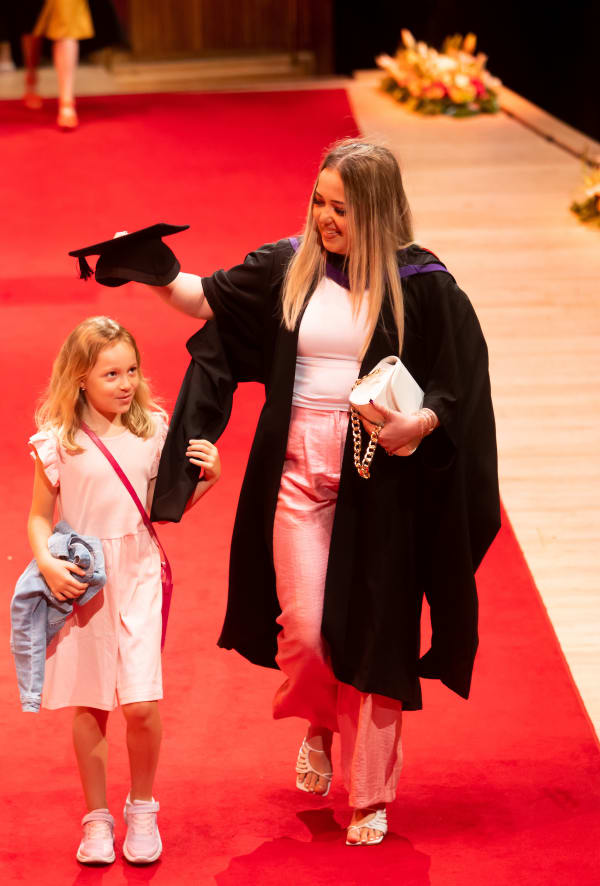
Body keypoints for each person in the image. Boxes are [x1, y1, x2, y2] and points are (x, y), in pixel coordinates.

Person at [143, 138, 500, 845]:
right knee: (305, 634)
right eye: (318, 202)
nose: (324, 219)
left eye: (340, 208)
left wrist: (420, 422)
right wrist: (150, 270)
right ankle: (316, 718)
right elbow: (204, 299)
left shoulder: (422, 283)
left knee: (378, 637)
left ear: (375, 212)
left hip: (382, 476)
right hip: (299, 469)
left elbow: (462, 381)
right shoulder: (290, 267)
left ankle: (370, 796)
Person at [27, 315, 221, 864]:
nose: (125, 382)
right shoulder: (57, 441)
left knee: (140, 703)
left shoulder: (153, 431)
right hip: (83, 581)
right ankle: (96, 818)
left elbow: (165, 508)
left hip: (137, 573)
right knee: (90, 704)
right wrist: (45, 561)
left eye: (131, 369)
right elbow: (39, 519)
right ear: (80, 378)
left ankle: (141, 807)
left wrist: (210, 480)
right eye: (110, 373)